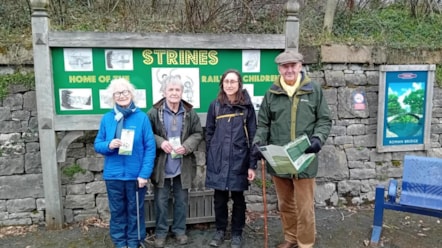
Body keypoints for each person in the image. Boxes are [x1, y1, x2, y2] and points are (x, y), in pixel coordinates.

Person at [252, 50, 332, 248]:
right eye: (284, 66)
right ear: (279, 69)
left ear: (300, 66)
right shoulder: (271, 93)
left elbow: (324, 119)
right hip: (279, 160)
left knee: (305, 208)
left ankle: (305, 243)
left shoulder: (314, 90)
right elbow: (263, 124)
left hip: (305, 158)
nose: (289, 70)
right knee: (285, 205)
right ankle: (290, 238)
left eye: (292, 65)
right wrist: (258, 142)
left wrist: (318, 139)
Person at [94, 78, 156, 248]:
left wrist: (144, 174)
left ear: (131, 94)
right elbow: (97, 144)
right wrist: (109, 144)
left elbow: (150, 148)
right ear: (113, 97)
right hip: (113, 176)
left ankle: (135, 242)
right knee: (117, 212)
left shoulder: (142, 118)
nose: (122, 96)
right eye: (117, 93)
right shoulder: (107, 119)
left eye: (125, 92)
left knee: (135, 211)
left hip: (135, 176)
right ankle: (121, 243)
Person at [147, 75, 203, 248]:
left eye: (177, 90)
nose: (174, 93)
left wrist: (186, 146)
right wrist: (160, 142)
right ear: (164, 92)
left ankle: (179, 231)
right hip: (162, 165)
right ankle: (161, 233)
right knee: (161, 202)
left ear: (182, 92)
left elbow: (197, 133)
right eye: (170, 89)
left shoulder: (190, 113)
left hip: (182, 165)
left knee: (181, 200)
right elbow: (147, 133)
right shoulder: (154, 112)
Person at [205, 69, 257, 248]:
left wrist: (252, 165)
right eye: (226, 81)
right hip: (218, 160)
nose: (229, 85)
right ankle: (220, 231)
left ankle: (236, 233)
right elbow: (209, 133)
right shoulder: (215, 105)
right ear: (222, 84)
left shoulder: (247, 107)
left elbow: (253, 135)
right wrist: (210, 156)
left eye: (233, 82)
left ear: (239, 84)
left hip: (239, 160)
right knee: (219, 198)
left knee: (238, 198)